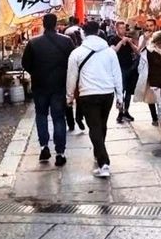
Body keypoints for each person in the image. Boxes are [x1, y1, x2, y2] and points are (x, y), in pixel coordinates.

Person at [67, 20, 123, 178]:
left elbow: (71, 77)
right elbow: (116, 74)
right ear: (98, 31)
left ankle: (103, 162)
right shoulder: (109, 51)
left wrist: (69, 97)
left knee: (94, 127)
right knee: (101, 125)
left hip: (88, 93)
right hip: (107, 93)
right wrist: (120, 96)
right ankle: (100, 152)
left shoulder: (77, 53)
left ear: (83, 33)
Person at [21, 13, 74, 167]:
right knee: (58, 117)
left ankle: (44, 146)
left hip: (40, 85)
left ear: (43, 24)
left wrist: (36, 73)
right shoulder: (66, 41)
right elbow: (72, 62)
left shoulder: (34, 43)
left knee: (41, 115)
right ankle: (60, 153)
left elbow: (26, 63)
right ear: (56, 24)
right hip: (59, 85)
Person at [108, 20, 139, 123]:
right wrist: (121, 42)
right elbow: (114, 51)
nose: (123, 30)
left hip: (130, 67)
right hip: (119, 68)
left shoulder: (129, 39)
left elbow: (137, 51)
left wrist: (130, 42)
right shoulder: (113, 39)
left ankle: (126, 111)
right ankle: (120, 112)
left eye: (124, 28)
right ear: (116, 29)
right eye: (120, 28)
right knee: (120, 91)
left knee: (129, 92)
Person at [138, 17, 160, 126]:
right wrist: (145, 40)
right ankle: (154, 117)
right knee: (150, 94)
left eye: (151, 25)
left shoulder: (160, 36)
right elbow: (139, 51)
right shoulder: (143, 37)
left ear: (155, 26)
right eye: (147, 26)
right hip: (148, 68)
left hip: (159, 69)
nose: (149, 28)